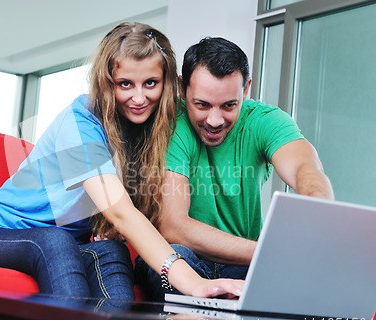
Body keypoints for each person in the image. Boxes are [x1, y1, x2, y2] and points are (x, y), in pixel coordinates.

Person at [0, 23, 244, 301]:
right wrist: (193, 281)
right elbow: (120, 211)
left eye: (151, 83)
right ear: (106, 83)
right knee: (54, 241)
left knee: (113, 254)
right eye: (125, 84)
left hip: (74, 243)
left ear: (167, 83)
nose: (139, 97)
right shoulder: (80, 120)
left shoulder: (153, 127)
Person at [135, 36, 334, 300]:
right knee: (170, 258)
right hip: (187, 260)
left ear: (246, 88)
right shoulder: (171, 122)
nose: (215, 120)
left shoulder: (266, 121)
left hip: (243, 263)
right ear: (183, 89)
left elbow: (304, 168)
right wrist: (270, 251)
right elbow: (174, 226)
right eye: (202, 105)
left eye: (229, 105)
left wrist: (318, 208)